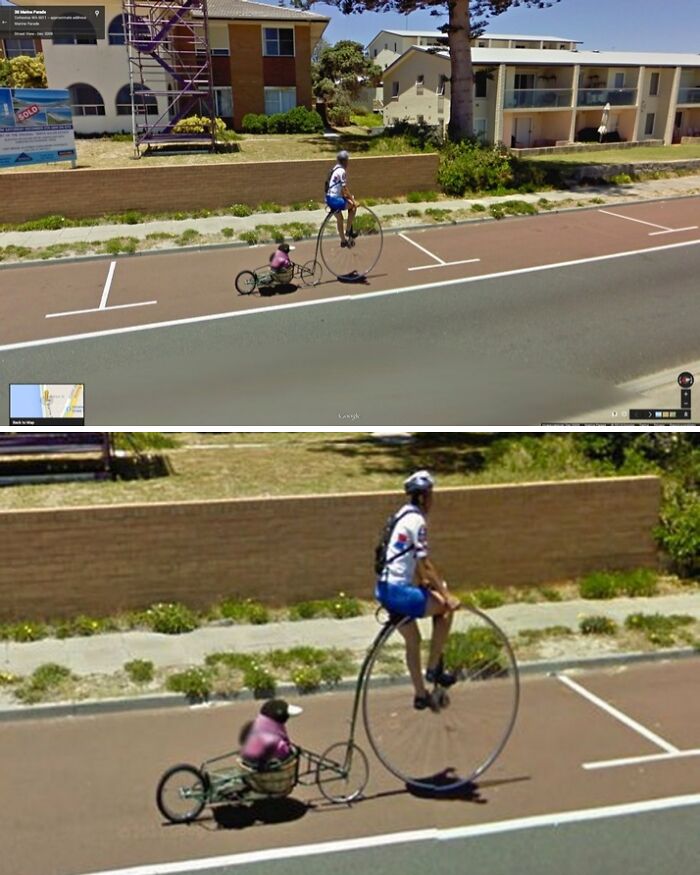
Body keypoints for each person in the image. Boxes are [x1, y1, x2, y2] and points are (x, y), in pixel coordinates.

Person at [375, 470, 461, 710]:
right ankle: (433, 669)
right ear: (424, 497)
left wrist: (421, 581)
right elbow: (425, 563)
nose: (433, 500)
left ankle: (420, 694)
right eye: (432, 494)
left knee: (413, 639)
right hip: (399, 593)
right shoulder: (418, 521)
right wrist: (446, 596)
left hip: (384, 589)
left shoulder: (401, 516)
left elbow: (404, 557)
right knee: (444, 609)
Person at [240, 699, 302, 768]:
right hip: (260, 767)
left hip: (246, 760)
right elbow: (284, 753)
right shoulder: (275, 739)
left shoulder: (254, 725)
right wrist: (293, 753)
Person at [325, 150, 357, 247]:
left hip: (329, 198)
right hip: (335, 200)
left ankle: (343, 241)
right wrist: (353, 201)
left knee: (340, 219)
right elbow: (344, 188)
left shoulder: (334, 169)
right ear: (345, 161)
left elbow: (337, 188)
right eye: (347, 161)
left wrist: (347, 197)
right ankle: (348, 231)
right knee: (353, 207)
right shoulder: (342, 171)